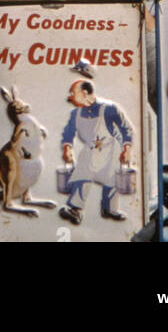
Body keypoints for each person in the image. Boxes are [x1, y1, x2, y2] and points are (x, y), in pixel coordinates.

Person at [59, 63, 133, 226]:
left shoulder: (109, 109)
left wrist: (127, 148)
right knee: (82, 174)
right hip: (90, 150)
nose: (70, 97)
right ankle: (75, 209)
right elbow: (68, 132)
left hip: (111, 150)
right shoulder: (75, 112)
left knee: (111, 180)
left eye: (73, 94)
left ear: (84, 93)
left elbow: (126, 128)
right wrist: (67, 147)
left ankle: (110, 209)